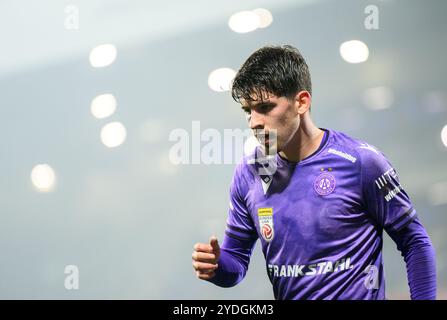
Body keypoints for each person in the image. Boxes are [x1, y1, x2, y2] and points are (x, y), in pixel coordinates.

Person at [192, 45, 436, 300]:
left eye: (265, 107)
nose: (254, 122)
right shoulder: (249, 172)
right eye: (248, 111)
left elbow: (415, 242)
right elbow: (236, 263)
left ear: (301, 102)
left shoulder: (361, 162)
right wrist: (217, 266)